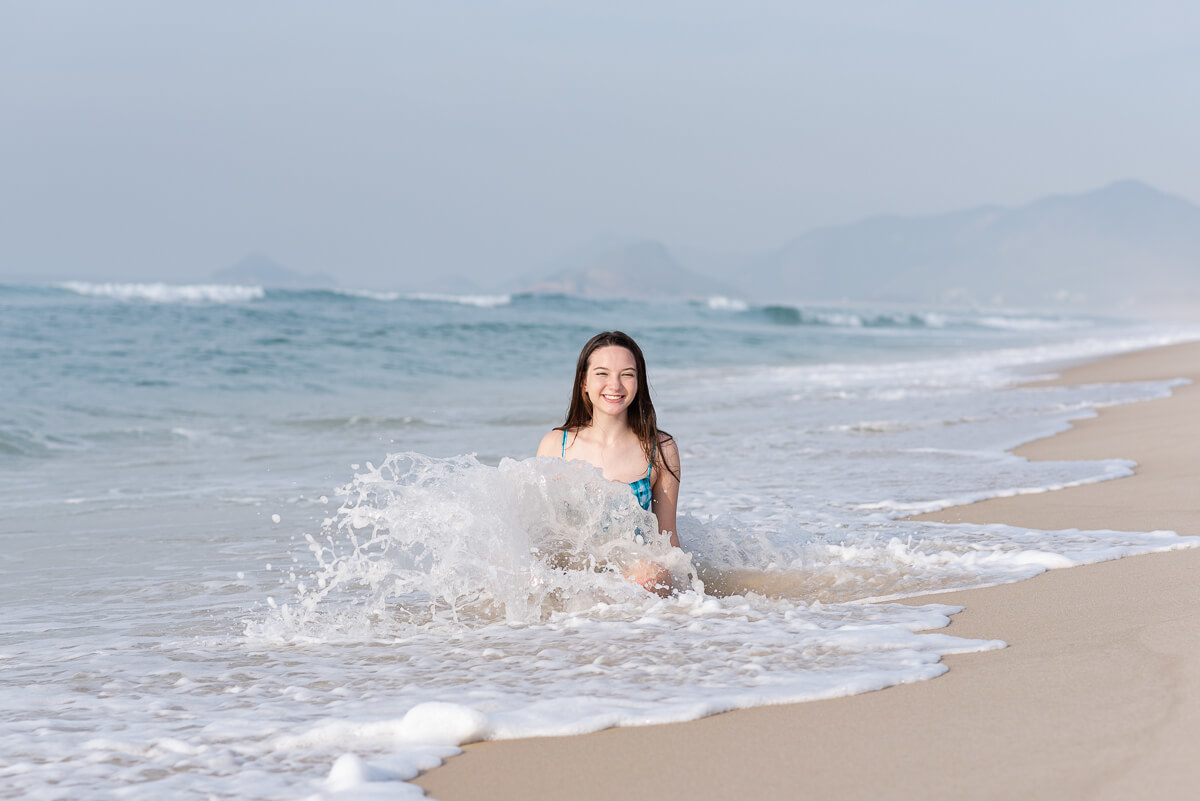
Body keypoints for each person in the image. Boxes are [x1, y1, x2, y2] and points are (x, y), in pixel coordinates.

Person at [537, 331, 681, 594]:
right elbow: (542, 534)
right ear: (584, 382)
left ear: (639, 383)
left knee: (652, 574)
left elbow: (667, 538)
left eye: (627, 374)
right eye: (602, 374)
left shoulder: (660, 449)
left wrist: (696, 607)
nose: (615, 385)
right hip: (573, 576)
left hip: (633, 578)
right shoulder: (556, 445)